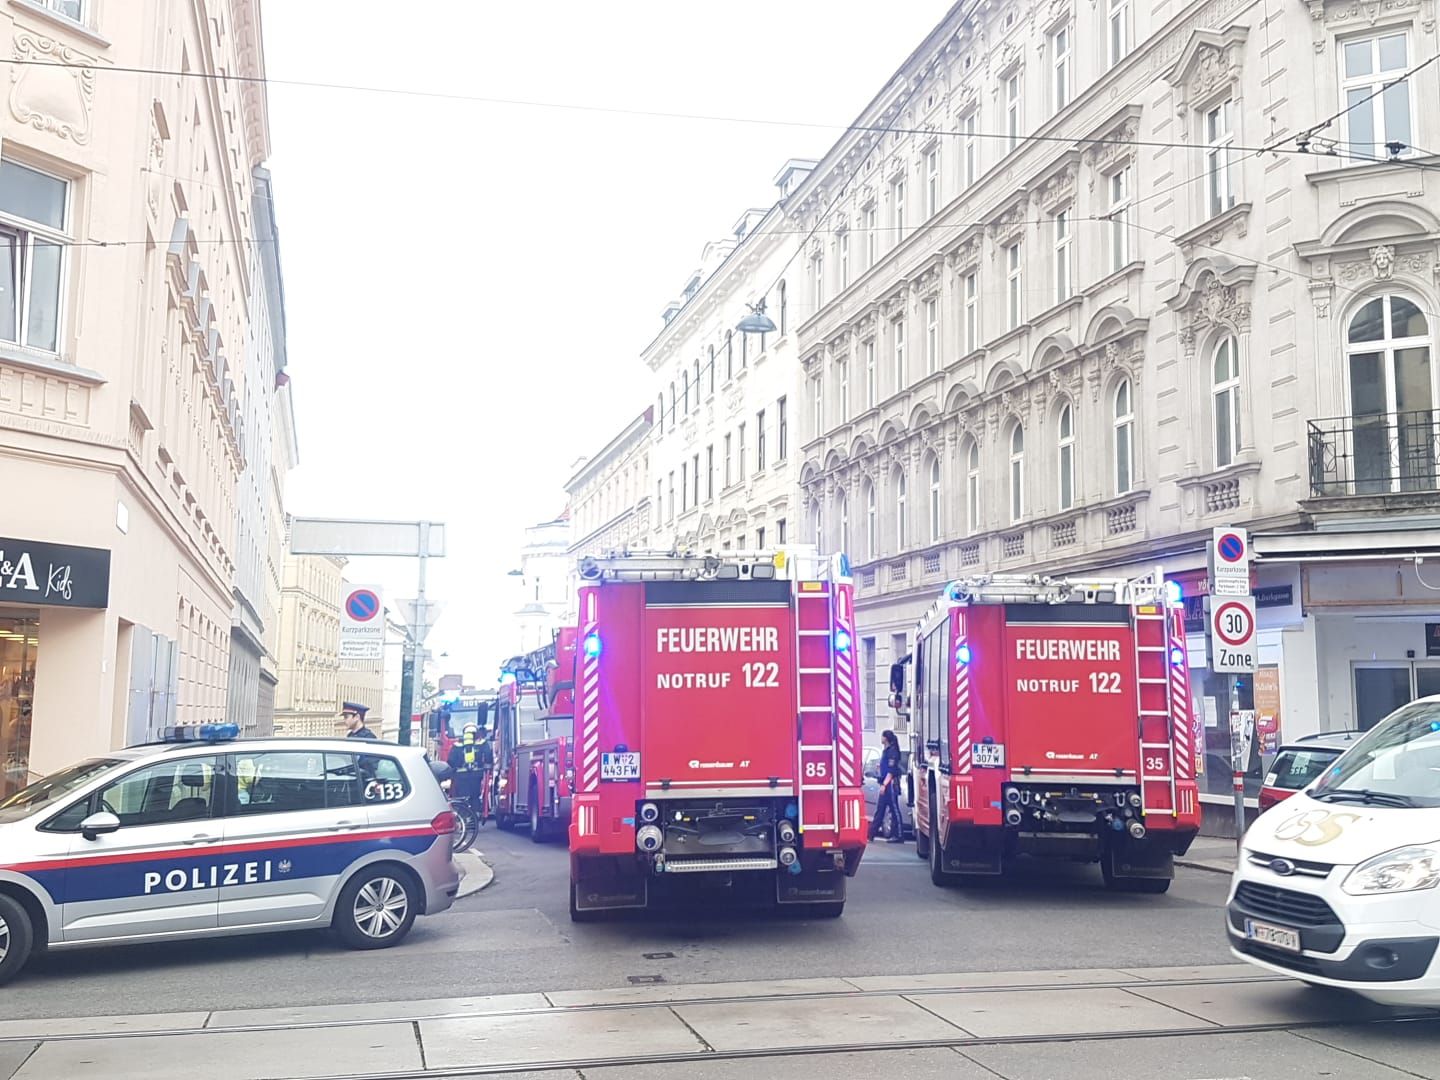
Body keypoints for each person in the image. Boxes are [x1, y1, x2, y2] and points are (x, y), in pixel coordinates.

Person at [447, 723, 494, 822]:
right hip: (476, 775)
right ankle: (475, 815)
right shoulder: (482, 743)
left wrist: (455, 769)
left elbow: (451, 761)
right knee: (475, 795)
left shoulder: (457, 745)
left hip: (460, 776)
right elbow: (488, 756)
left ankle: (465, 817)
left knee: (462, 797)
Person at [868, 729, 905, 843]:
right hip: (885, 783)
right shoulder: (886, 751)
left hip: (891, 785)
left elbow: (891, 770)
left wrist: (884, 784)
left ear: (886, 738)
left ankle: (899, 835)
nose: (881, 738)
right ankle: (871, 834)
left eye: (882, 736)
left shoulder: (892, 752)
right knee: (880, 809)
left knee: (894, 810)